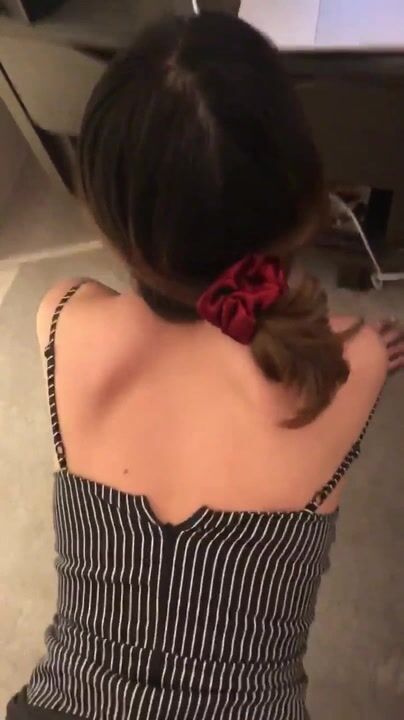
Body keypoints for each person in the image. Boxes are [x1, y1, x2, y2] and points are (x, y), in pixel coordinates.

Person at [7, 12, 404, 720]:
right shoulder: (359, 362)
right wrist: (358, 349)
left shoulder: (62, 319)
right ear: (302, 200)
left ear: (107, 214)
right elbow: (332, 356)